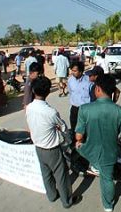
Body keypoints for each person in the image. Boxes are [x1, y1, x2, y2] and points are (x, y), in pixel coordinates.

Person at [75, 74, 121, 212]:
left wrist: (80, 142)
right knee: (107, 179)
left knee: (78, 145)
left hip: (90, 151)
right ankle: (108, 206)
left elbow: (78, 136)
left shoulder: (84, 109)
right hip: (109, 153)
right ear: (113, 91)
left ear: (98, 89)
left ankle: (94, 165)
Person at [26, 76, 81, 208]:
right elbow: (63, 127)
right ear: (48, 92)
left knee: (46, 174)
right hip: (52, 149)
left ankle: (52, 195)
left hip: (38, 147)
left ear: (33, 91)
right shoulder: (50, 112)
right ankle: (67, 201)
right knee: (61, 176)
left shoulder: (29, 107)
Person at [67, 61, 91, 135]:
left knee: (86, 129)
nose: (73, 72)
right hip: (75, 109)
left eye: (75, 71)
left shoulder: (89, 81)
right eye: (72, 70)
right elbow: (71, 92)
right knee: (74, 129)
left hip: (86, 109)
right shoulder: (70, 80)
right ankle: (75, 143)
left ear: (81, 71)